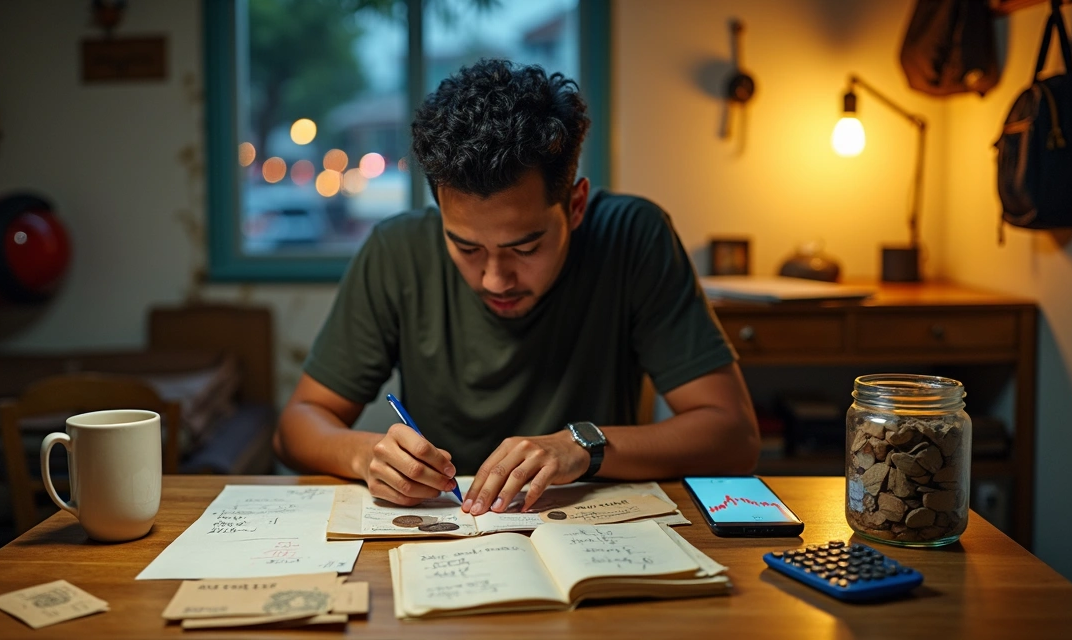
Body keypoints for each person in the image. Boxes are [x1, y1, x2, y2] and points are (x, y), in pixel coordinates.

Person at [274, 59, 759, 517]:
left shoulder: (633, 236)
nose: (494, 279)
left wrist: (580, 445)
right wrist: (366, 455)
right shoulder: (396, 251)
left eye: (525, 249)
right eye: (465, 248)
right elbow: (296, 427)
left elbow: (734, 436)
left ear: (575, 206)